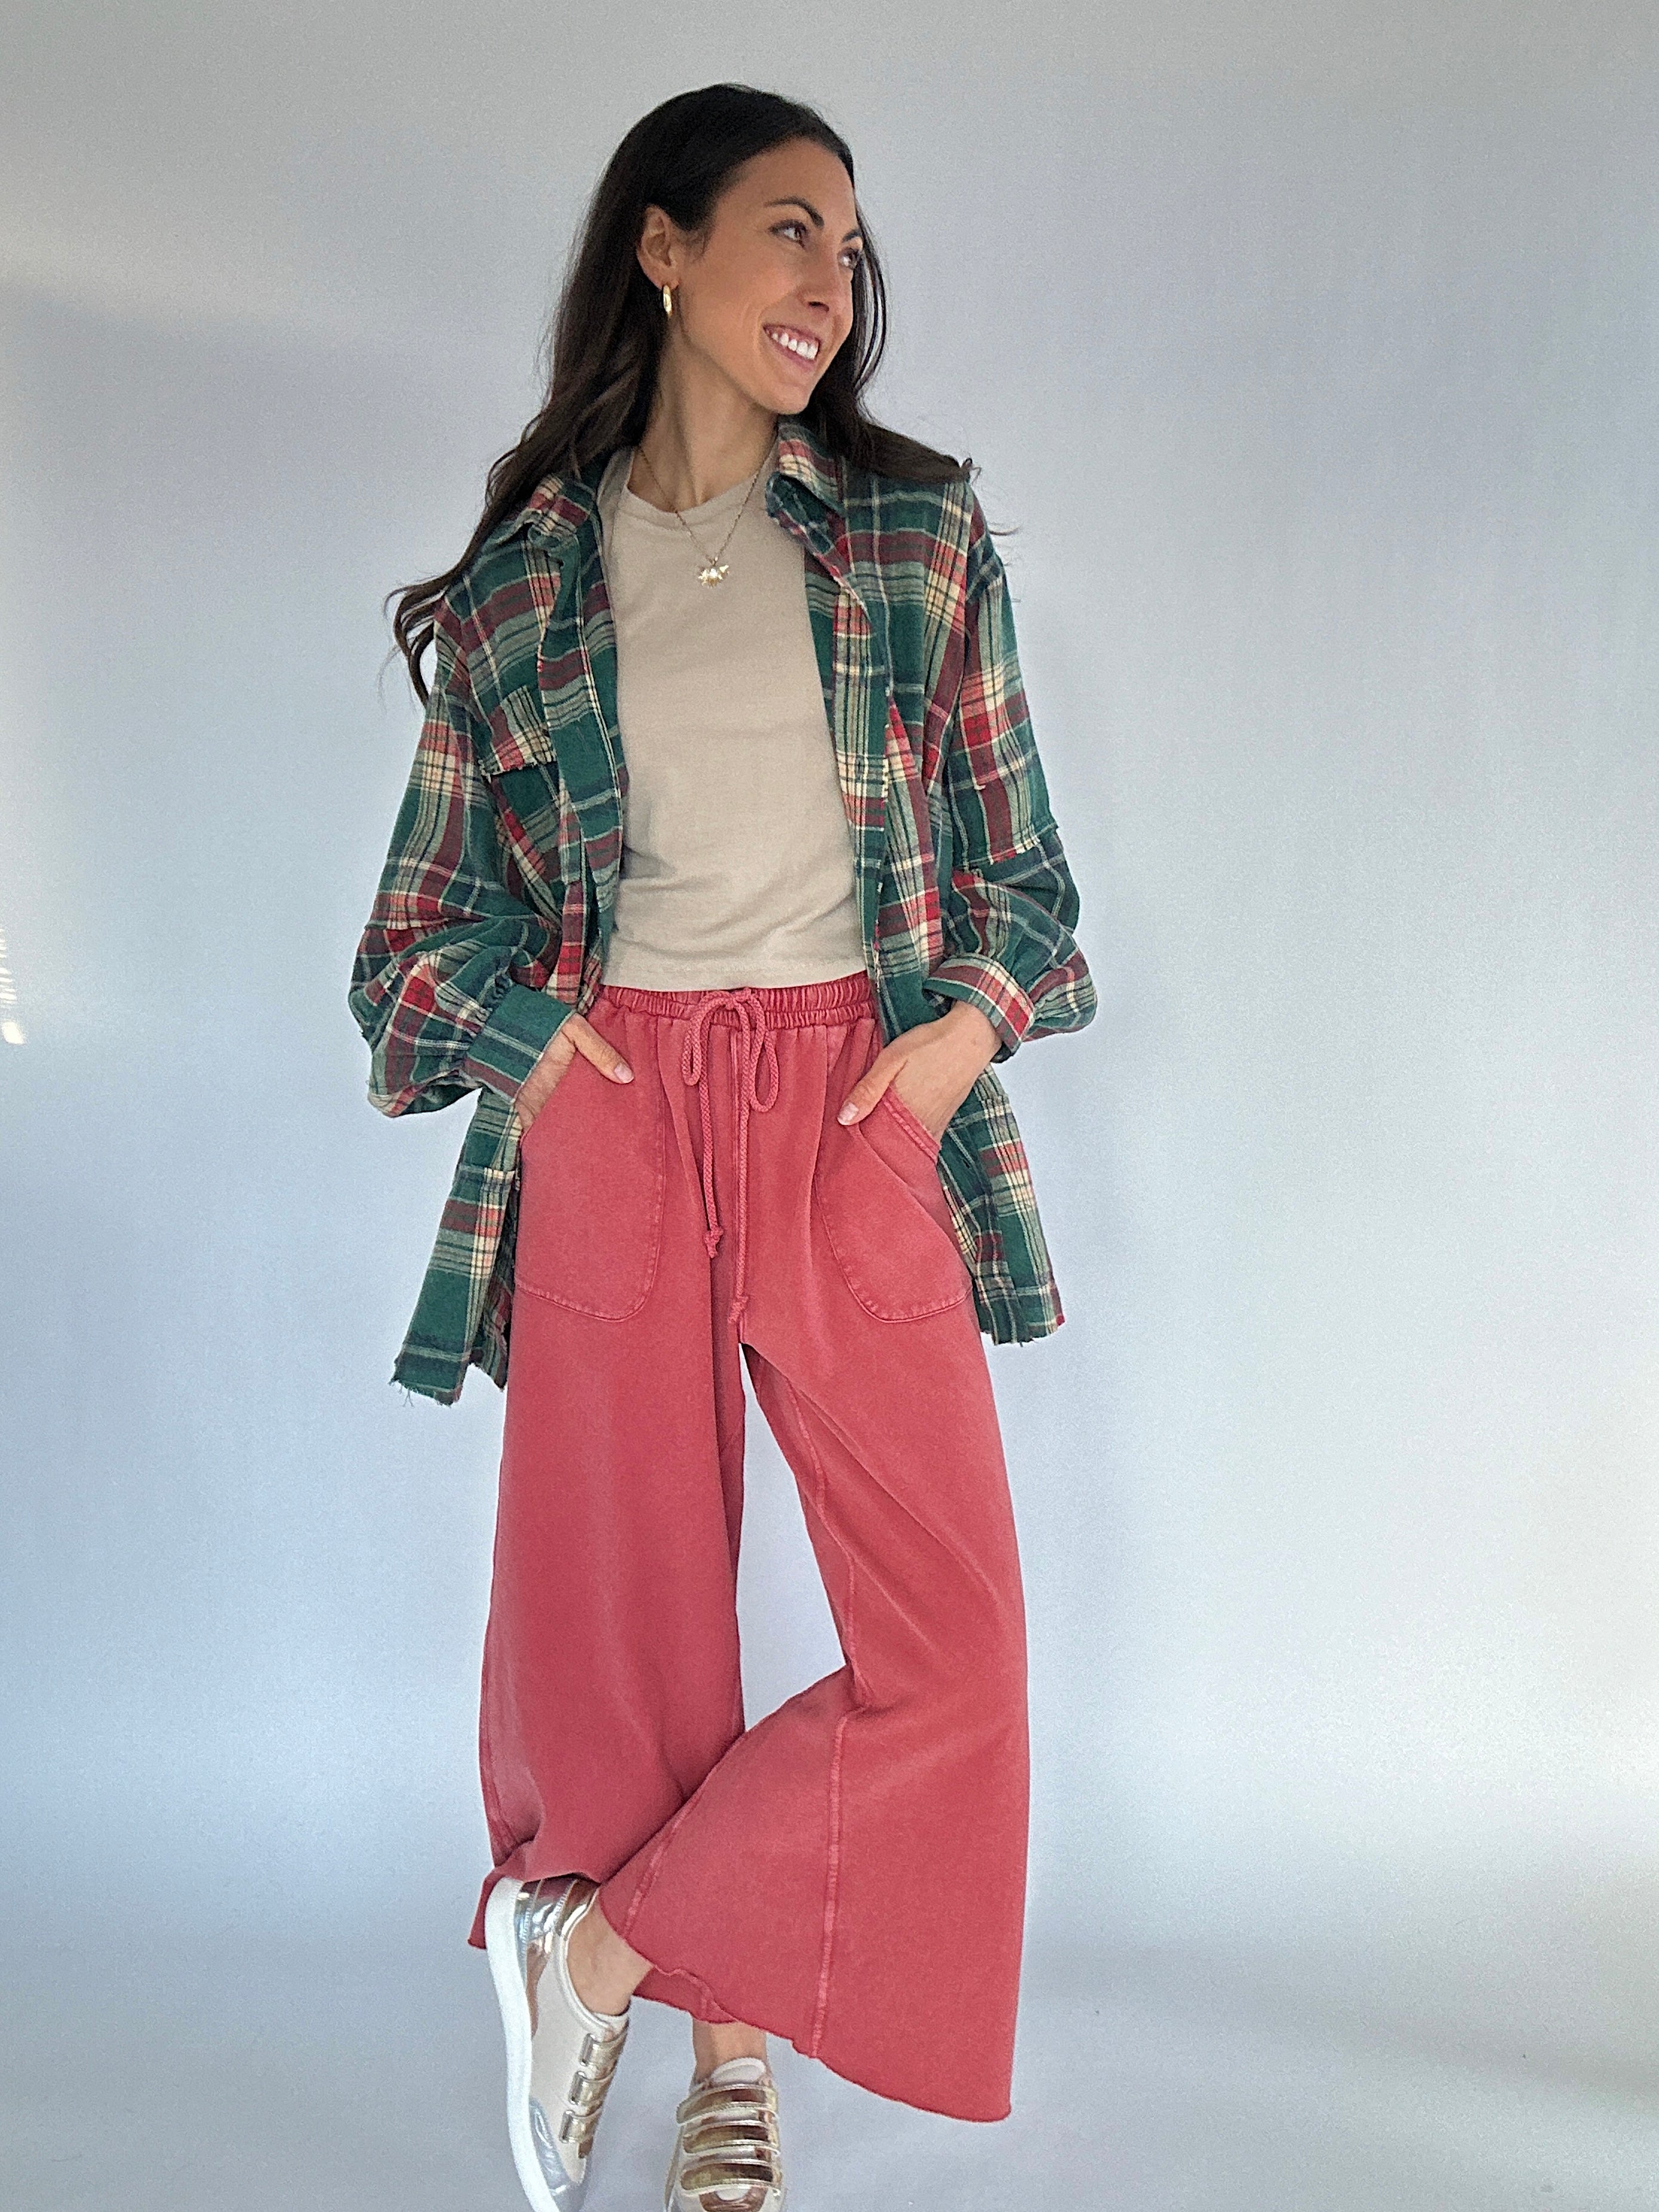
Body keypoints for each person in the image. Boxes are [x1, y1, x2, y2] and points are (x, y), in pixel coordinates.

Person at [349, 81, 1095, 2212]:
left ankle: (586, 1947)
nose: (826, 283)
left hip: (856, 1098)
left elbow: (1030, 892)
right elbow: (406, 954)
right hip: (617, 1105)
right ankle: (724, 2064)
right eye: (786, 230)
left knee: (950, 1652)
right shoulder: (522, 598)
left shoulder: (908, 539)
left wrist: (954, 1041)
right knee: (635, 1635)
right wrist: (558, 1049)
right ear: (663, 250)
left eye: (848, 249)